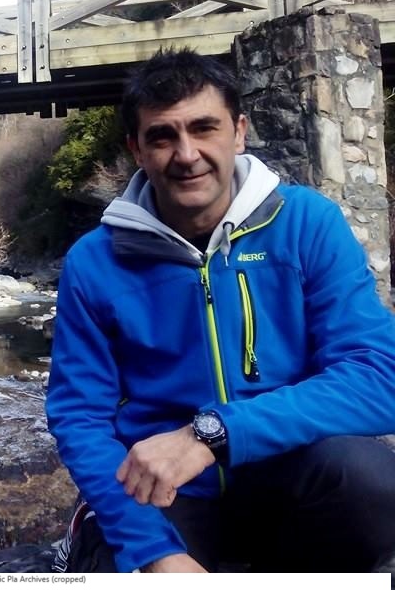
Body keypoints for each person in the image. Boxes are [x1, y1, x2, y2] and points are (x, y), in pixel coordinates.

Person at [46, 48, 395, 574]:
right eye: (162, 136)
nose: (187, 154)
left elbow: (379, 376)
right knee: (117, 560)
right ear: (136, 150)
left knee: (370, 478)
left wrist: (216, 432)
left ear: (239, 133)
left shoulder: (308, 223)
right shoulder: (95, 262)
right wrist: (155, 553)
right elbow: (80, 417)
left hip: (291, 472)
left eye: (204, 128)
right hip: (168, 494)